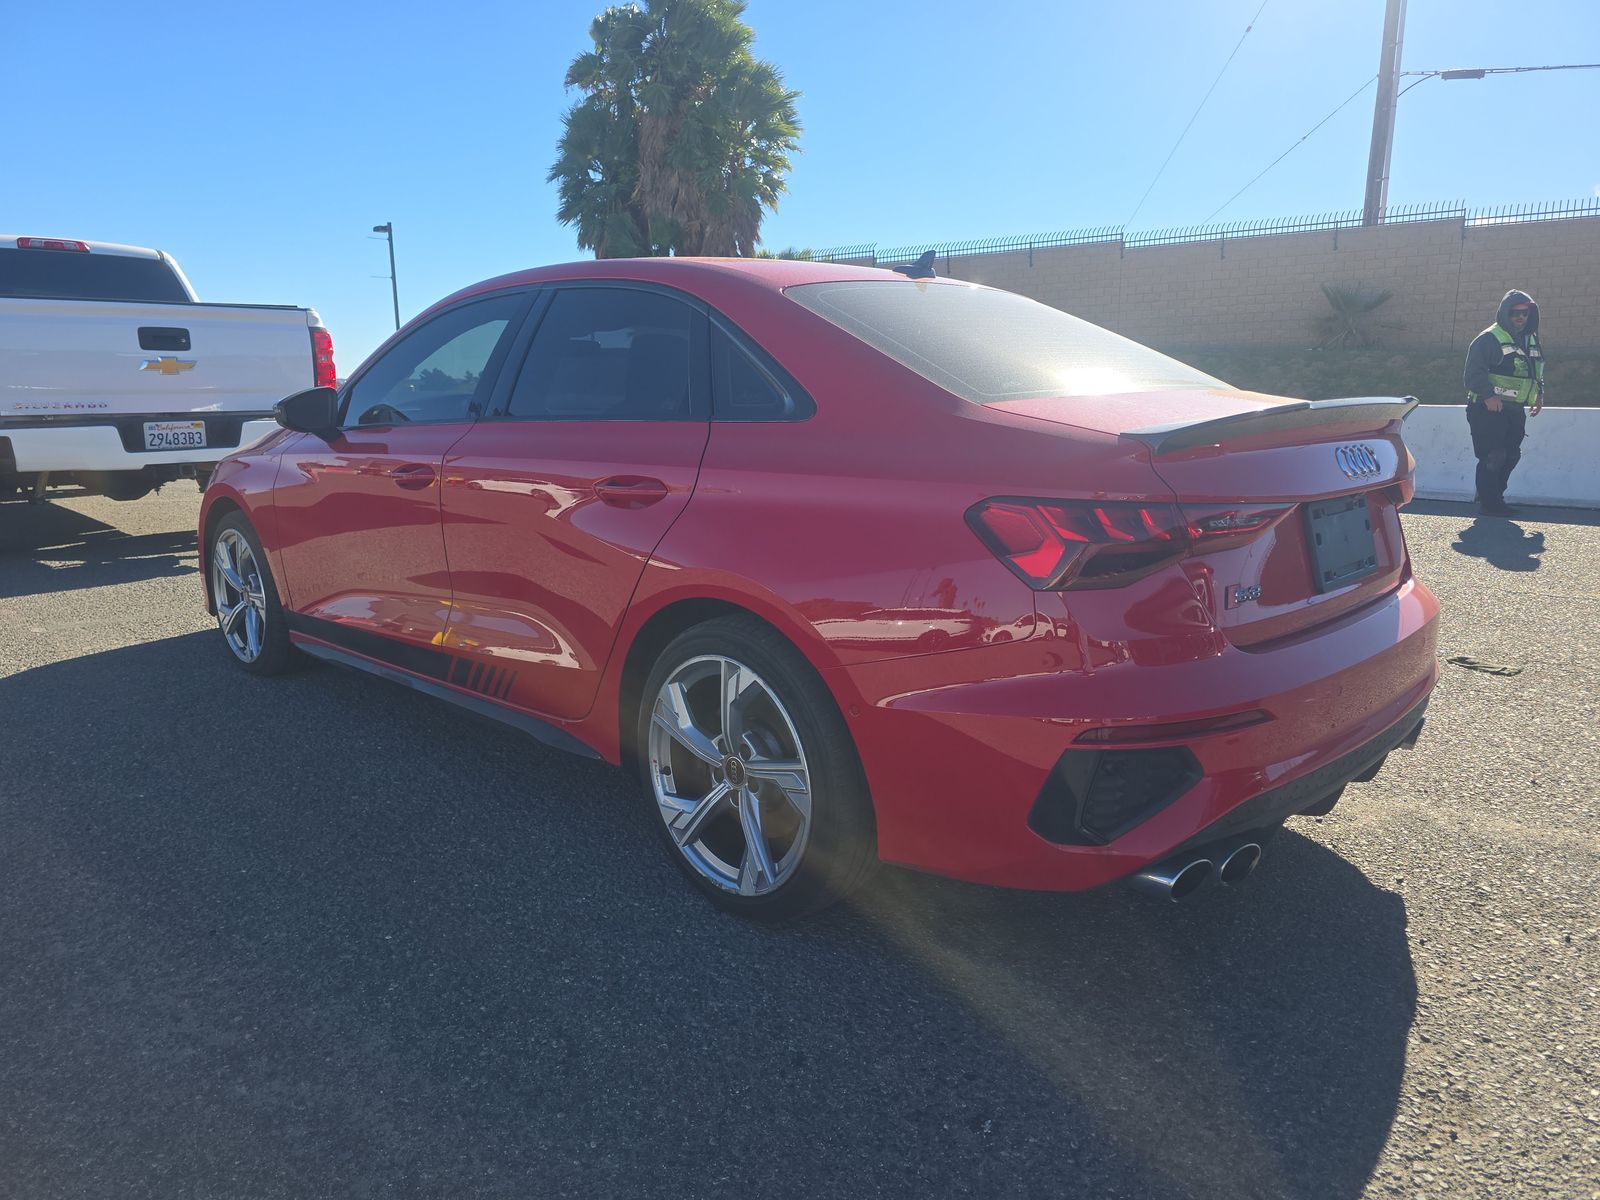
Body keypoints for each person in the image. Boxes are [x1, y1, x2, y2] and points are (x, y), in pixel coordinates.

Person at [1463, 289, 1545, 516]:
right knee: (1494, 456)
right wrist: (1488, 395)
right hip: (1487, 408)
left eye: (1525, 313)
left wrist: (1539, 393)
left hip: (1514, 409)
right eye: (1515, 312)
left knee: (1511, 455)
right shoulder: (1489, 338)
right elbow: (1473, 374)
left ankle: (1493, 495)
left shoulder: (1531, 339)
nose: (1520, 317)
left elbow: (1536, 369)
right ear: (1505, 313)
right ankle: (1491, 503)